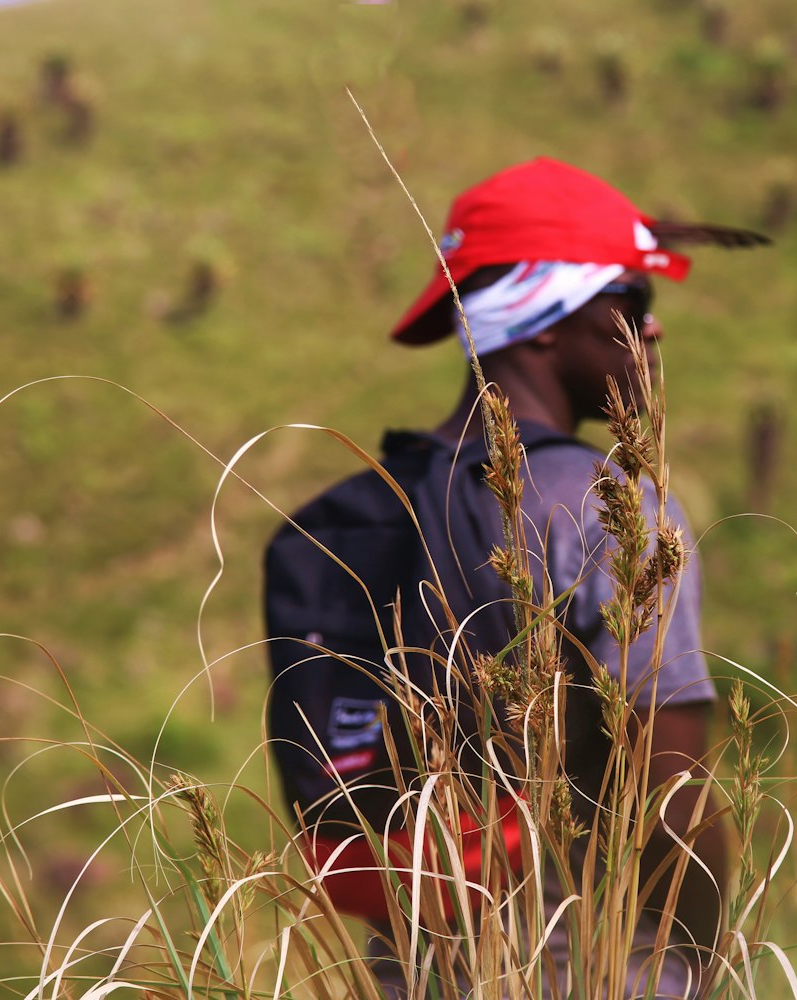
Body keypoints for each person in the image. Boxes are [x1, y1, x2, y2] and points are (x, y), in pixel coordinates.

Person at [271, 157, 769, 998]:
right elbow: (670, 791)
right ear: (543, 321)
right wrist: (712, 961)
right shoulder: (602, 503)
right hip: (593, 953)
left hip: (410, 957)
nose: (651, 331)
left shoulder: (341, 516)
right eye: (631, 302)